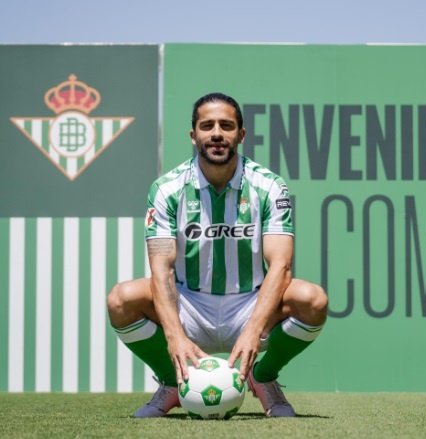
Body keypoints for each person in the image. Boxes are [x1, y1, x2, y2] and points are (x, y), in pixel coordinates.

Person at [107, 92, 328, 418]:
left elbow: (281, 265)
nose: (216, 133)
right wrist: (175, 338)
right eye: (207, 125)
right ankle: (173, 381)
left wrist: (253, 331)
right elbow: (161, 269)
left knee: (314, 300)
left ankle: (263, 378)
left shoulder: (269, 186)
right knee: (121, 300)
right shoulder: (167, 188)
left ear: (241, 134)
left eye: (226, 125)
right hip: (188, 305)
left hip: (250, 305)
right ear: (193, 134)